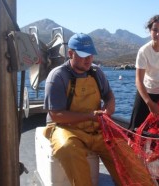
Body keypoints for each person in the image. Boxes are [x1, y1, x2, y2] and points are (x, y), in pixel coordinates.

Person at [44, 33, 121, 186]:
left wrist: (110, 106)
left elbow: (108, 94)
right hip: (65, 128)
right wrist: (90, 116)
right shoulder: (58, 76)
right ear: (70, 53)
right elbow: (57, 115)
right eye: (83, 55)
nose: (88, 60)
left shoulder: (96, 72)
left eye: (91, 55)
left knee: (122, 149)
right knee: (69, 149)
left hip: (95, 127)